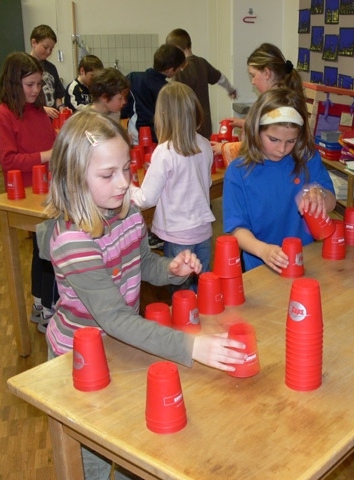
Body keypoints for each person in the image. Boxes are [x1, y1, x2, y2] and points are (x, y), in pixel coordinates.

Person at [36, 110, 246, 478]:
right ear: (73, 179)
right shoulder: (73, 242)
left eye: (126, 169)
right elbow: (115, 319)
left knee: (127, 435)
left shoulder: (126, 211)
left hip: (120, 343)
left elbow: (143, 262)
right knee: (94, 455)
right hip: (78, 358)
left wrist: (170, 270)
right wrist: (191, 347)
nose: (124, 183)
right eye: (108, 175)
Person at [222, 87, 336, 273]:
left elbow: (331, 202)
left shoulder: (307, 158)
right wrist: (264, 250)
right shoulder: (238, 172)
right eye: (273, 139)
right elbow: (237, 229)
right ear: (256, 130)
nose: (282, 149)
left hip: (306, 260)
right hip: (262, 266)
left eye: (291, 141)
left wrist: (321, 195)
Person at [0, 52, 58, 332]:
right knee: (45, 250)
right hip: (26, 195)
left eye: (39, 84)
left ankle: (42, 305)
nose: (35, 90)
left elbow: (50, 143)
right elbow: (9, 161)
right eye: (29, 84)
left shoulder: (38, 111)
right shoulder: (2, 116)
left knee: (45, 249)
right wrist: (48, 154)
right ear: (13, 83)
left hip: (48, 190)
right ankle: (46, 308)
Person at [130, 82, 215, 292]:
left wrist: (128, 188)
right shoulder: (205, 144)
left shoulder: (164, 151)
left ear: (163, 116)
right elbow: (204, 182)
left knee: (181, 294)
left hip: (178, 234)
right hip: (203, 230)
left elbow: (146, 199)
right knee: (202, 288)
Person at [213, 43, 303, 161]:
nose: (253, 81)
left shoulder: (277, 104)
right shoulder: (283, 98)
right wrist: (246, 123)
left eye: (253, 75)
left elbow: (261, 146)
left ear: (266, 73)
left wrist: (224, 148)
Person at [166, 28, 237, 139]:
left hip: (186, 125)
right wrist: (230, 90)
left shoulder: (179, 70)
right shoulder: (202, 63)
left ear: (176, 49)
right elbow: (221, 78)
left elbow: (173, 99)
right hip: (205, 123)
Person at [121, 44, 186, 145]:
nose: (179, 71)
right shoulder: (168, 90)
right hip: (159, 139)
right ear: (170, 70)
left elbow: (123, 108)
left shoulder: (133, 78)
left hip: (134, 138)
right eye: (179, 69)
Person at [29, 24, 66, 119]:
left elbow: (58, 94)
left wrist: (60, 107)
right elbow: (21, 98)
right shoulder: (23, 66)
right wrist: (42, 109)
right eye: (45, 47)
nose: (49, 52)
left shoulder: (51, 68)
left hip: (50, 120)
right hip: (34, 118)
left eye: (51, 49)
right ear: (34, 42)